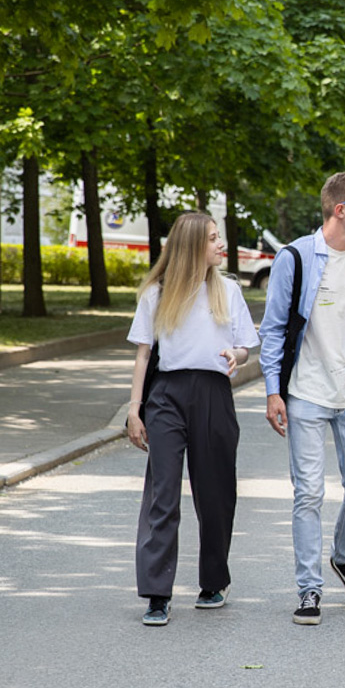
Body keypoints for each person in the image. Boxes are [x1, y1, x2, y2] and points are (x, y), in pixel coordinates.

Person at [258, 172, 345, 626]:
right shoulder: (295, 258)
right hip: (306, 394)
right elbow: (274, 327)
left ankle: (344, 557)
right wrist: (273, 390)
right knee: (309, 494)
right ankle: (308, 588)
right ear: (342, 210)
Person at [127, 212, 260, 626]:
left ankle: (213, 582)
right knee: (163, 494)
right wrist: (134, 408)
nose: (221, 245)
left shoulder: (228, 291)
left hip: (213, 395)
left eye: (219, 238)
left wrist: (234, 357)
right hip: (166, 395)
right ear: (191, 246)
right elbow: (145, 354)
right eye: (213, 239)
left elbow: (244, 347)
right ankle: (156, 593)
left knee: (215, 491)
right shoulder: (157, 294)